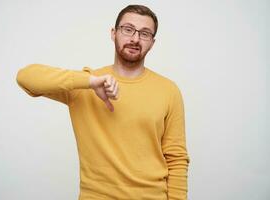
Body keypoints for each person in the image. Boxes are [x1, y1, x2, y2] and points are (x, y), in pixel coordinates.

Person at [16, 4, 190, 200]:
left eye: (145, 33)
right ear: (113, 33)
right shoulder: (85, 86)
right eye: (128, 29)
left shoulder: (168, 90)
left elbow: (176, 159)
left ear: (152, 42)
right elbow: (26, 77)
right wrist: (89, 81)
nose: (135, 38)